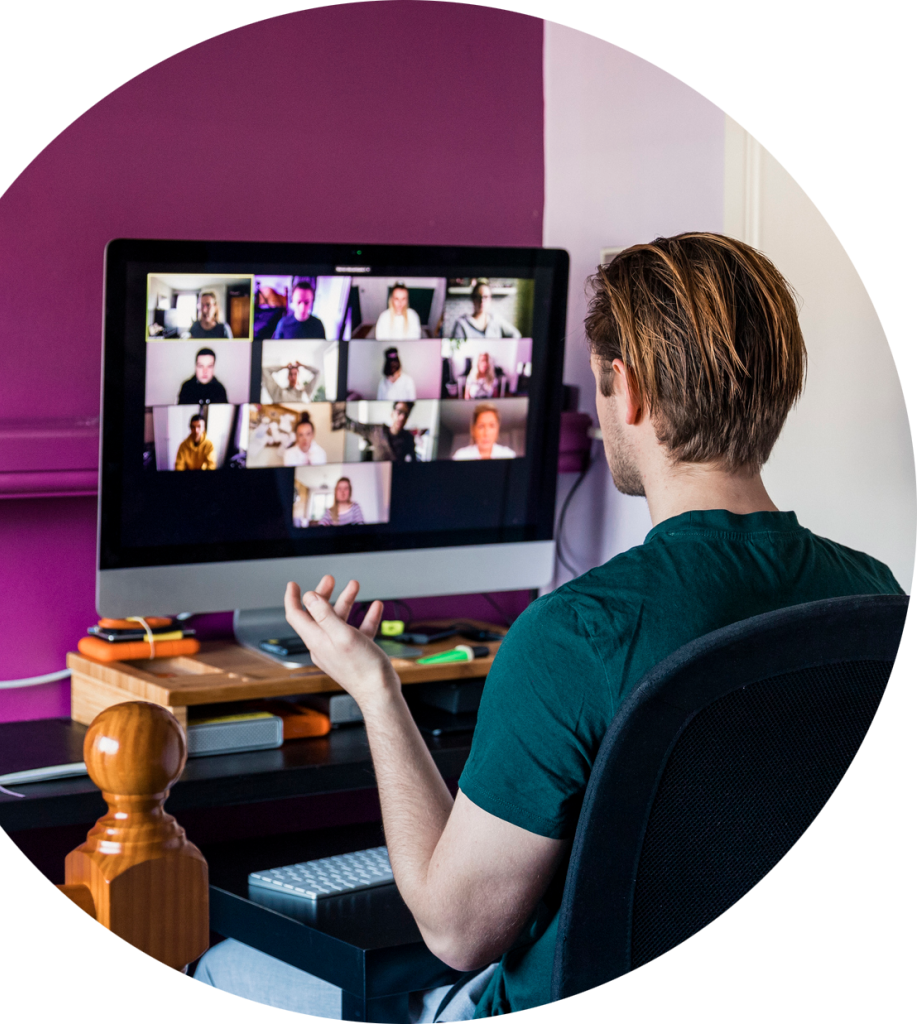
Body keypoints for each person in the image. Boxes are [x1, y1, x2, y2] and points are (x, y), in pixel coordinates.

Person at [195, 233, 903, 1018]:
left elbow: (456, 931)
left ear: (628, 390)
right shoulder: (872, 598)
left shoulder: (573, 637)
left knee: (226, 964)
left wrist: (375, 690)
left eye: (600, 385)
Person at [345, 401, 417, 462]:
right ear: (392, 414)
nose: (402, 417)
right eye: (400, 412)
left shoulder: (409, 438)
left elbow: (413, 464)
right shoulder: (376, 431)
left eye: (406, 415)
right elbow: (350, 425)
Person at [449, 280, 520, 339]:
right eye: (478, 297)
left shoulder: (496, 319)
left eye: (485, 297)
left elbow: (516, 335)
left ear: (490, 299)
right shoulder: (462, 324)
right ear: (473, 299)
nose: (482, 301)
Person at [451, 403, 515, 460]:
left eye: (492, 426)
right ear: (473, 430)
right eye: (481, 426)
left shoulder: (509, 455)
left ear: (497, 429)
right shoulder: (460, 456)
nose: (486, 433)